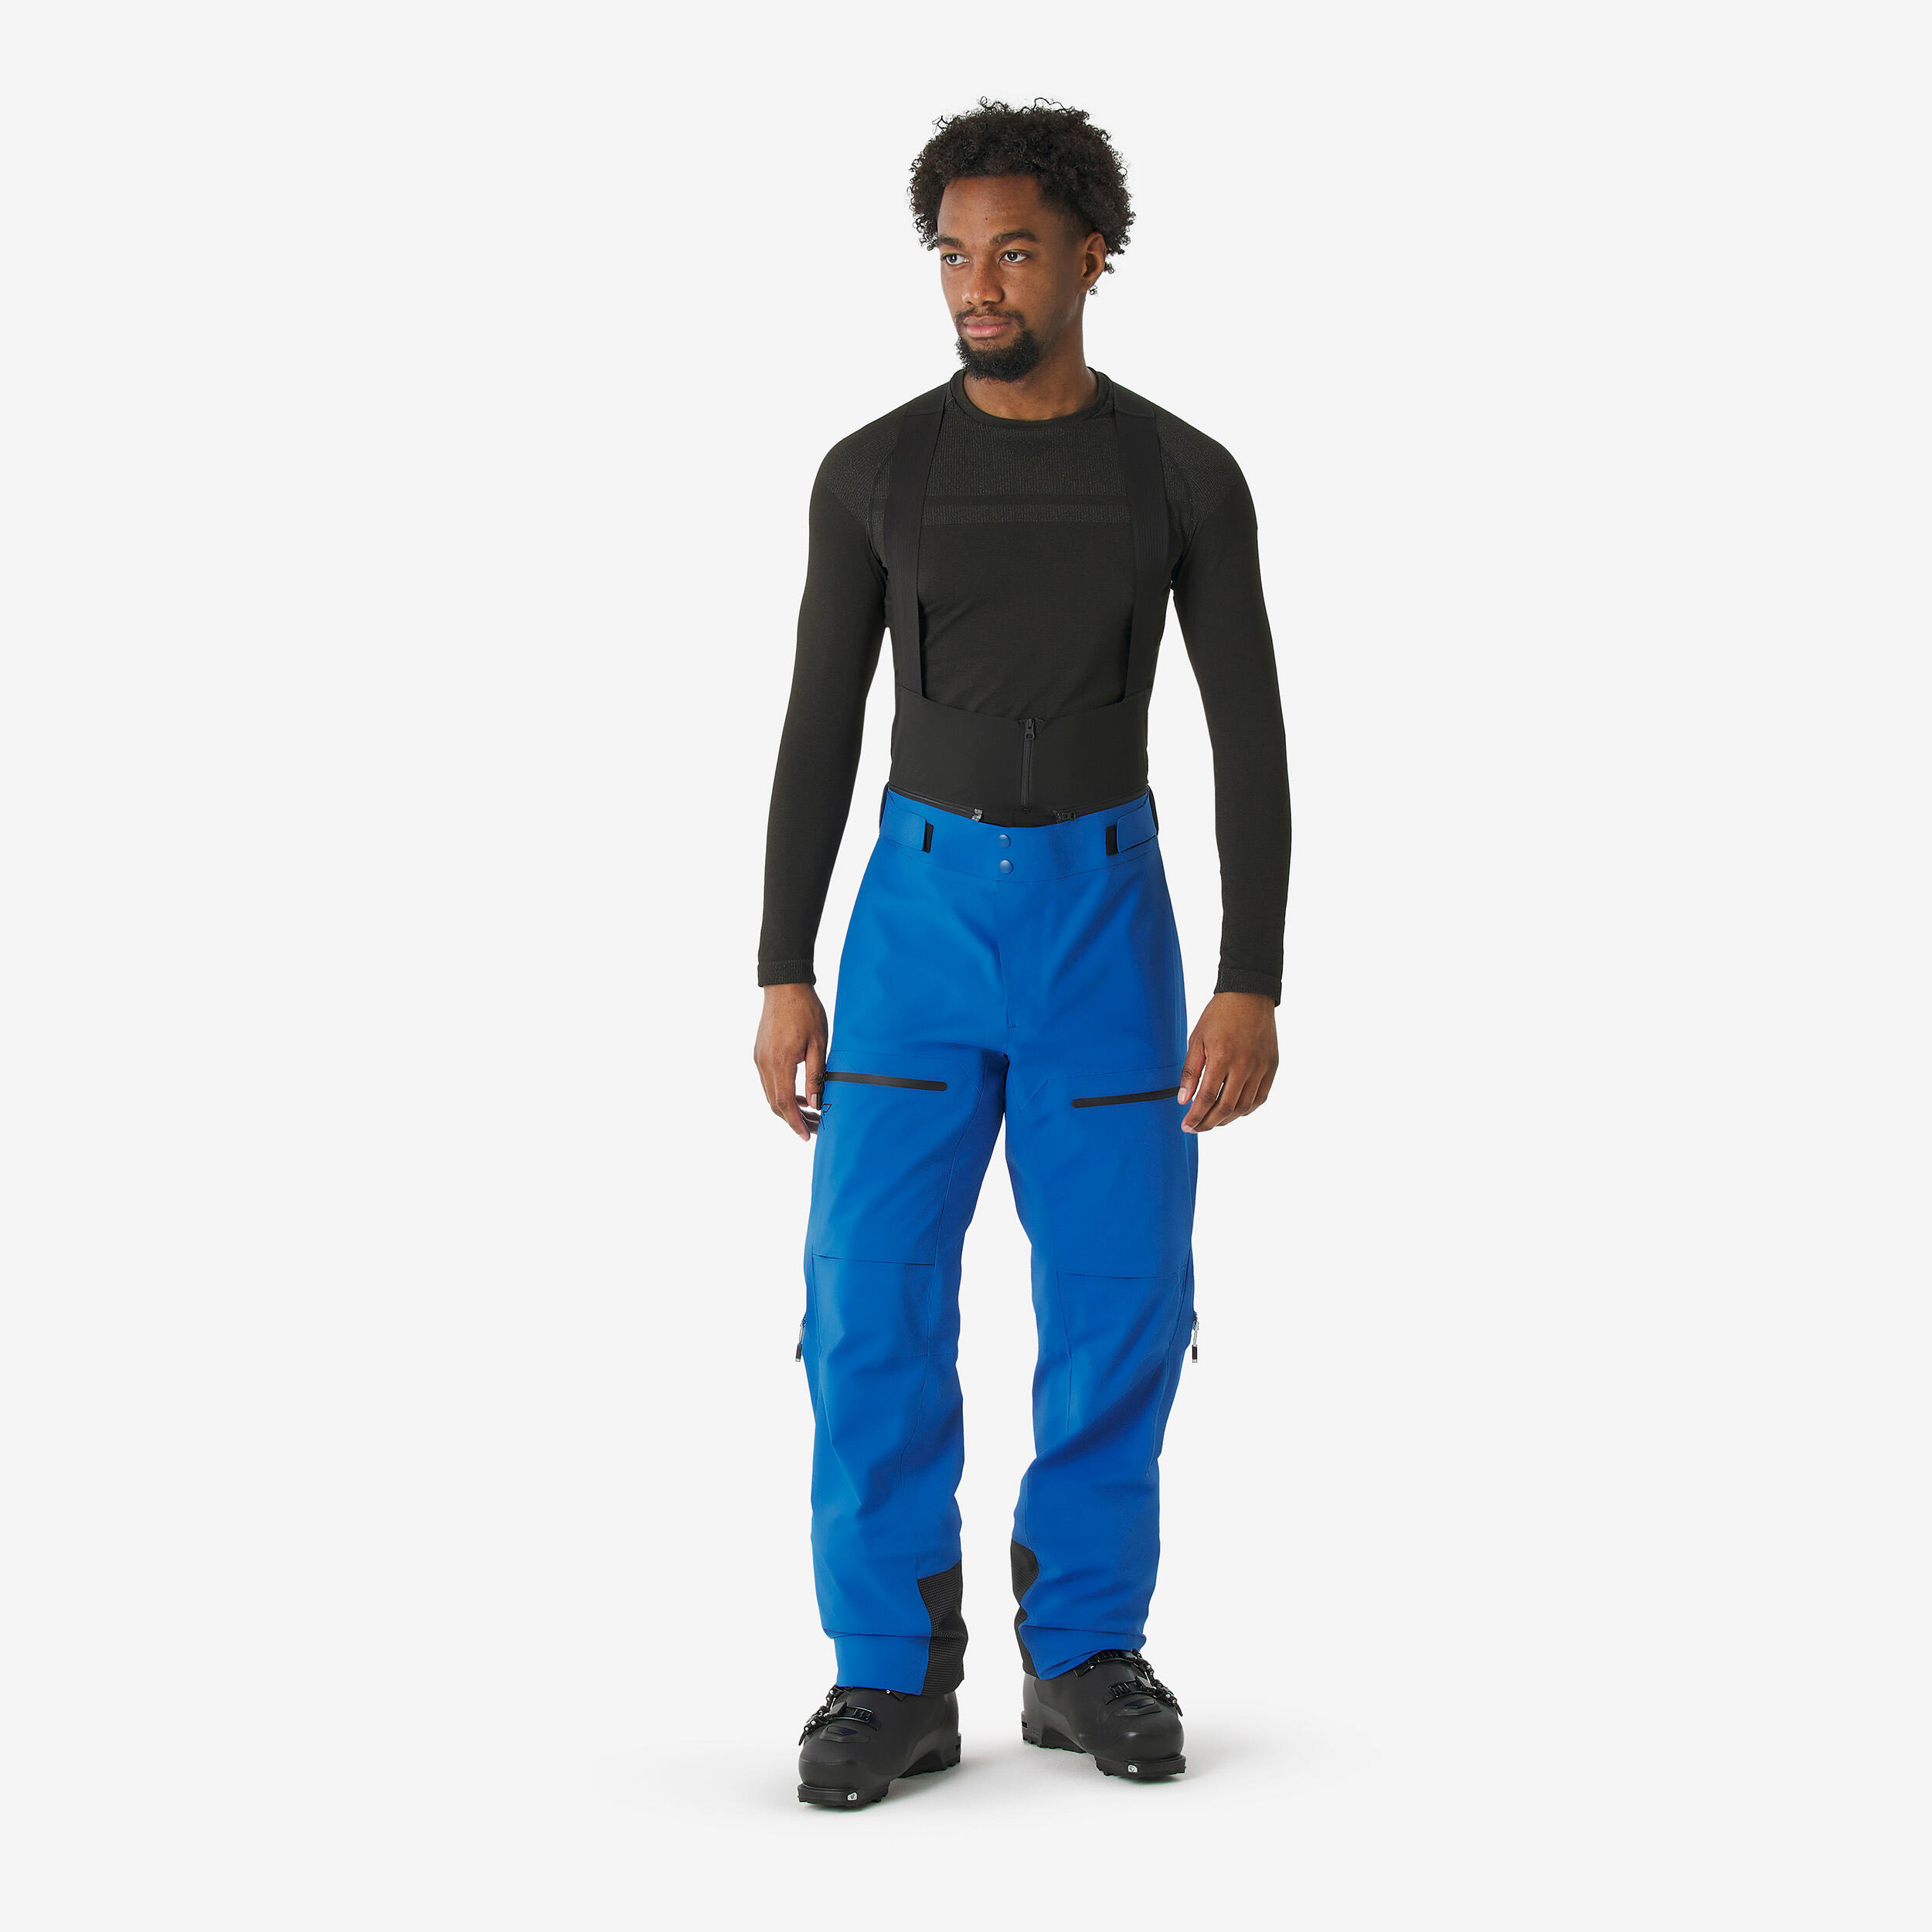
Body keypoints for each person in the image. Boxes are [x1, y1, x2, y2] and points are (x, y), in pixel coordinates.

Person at [753, 99, 1290, 1808]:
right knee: (868, 1300)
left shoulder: (1178, 475)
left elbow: (1252, 734)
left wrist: (1252, 975)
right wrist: (781, 964)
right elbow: (818, 725)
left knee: (1122, 1295)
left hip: (1106, 926)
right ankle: (888, 1674)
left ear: (1089, 259)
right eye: (953, 255)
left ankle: (1083, 1652)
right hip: (912, 927)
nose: (977, 285)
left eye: (1013, 252)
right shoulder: (875, 473)